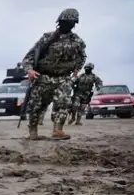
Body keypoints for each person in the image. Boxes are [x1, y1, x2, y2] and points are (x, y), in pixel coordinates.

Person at [20, 8, 87, 141]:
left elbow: (82, 56)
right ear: (59, 21)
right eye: (65, 22)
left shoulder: (77, 41)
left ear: (74, 24)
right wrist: (29, 70)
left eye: (71, 22)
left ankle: (58, 130)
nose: (67, 24)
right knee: (35, 105)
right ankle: (33, 131)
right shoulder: (47, 38)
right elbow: (29, 57)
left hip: (63, 78)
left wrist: (77, 69)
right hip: (43, 76)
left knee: (63, 103)